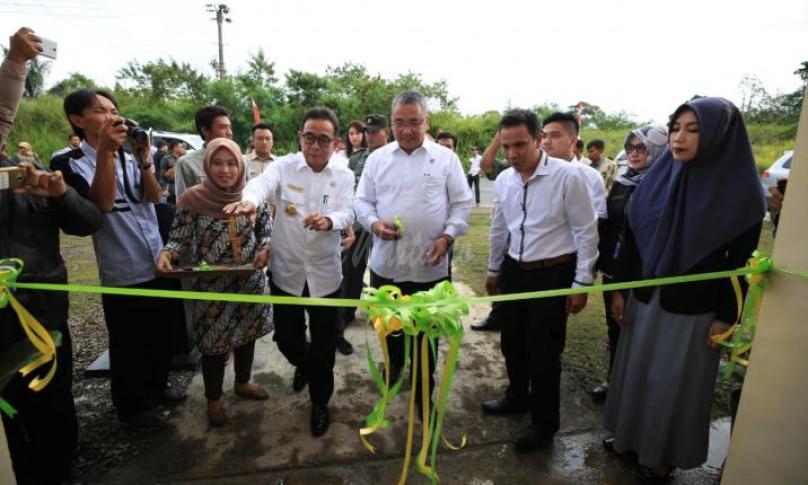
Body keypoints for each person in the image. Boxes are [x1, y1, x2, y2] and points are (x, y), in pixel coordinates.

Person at [604, 97, 766, 480]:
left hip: (695, 311)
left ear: (720, 137)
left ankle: (662, 458)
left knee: (672, 385)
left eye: (694, 130)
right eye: (676, 127)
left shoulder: (742, 196)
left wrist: (726, 317)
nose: (679, 138)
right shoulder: (659, 179)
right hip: (645, 299)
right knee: (638, 373)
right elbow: (631, 241)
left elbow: (738, 266)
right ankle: (630, 440)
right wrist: (619, 290)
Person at [0, 26, 103, 485]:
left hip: (47, 315)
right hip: (5, 327)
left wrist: (59, 194)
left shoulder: (26, 175)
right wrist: (16, 64)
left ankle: (61, 469)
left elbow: (87, 221)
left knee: (55, 403)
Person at [53, 88, 187, 431]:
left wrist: (143, 160)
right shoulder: (68, 162)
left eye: (115, 110)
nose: (113, 117)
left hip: (156, 257)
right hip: (122, 266)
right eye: (102, 111)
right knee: (129, 342)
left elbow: (154, 199)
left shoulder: (130, 154)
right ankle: (130, 407)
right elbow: (101, 205)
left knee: (162, 332)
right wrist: (107, 155)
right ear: (78, 120)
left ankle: (157, 387)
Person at [224, 107, 354, 437]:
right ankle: (305, 365)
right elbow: (261, 184)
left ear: (334, 143)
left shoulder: (343, 175)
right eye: (309, 137)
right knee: (286, 339)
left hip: (325, 275)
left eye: (323, 139)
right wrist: (250, 201)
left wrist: (330, 221)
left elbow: (347, 210)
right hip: (287, 271)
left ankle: (320, 402)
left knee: (325, 343)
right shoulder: (284, 166)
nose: (314, 145)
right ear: (300, 138)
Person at [481, 109, 598, 451]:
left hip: (554, 273)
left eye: (520, 145)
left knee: (544, 353)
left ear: (538, 140)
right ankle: (517, 396)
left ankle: (545, 424)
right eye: (506, 147)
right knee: (512, 343)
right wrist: (493, 269)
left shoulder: (568, 177)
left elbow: (585, 231)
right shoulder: (504, 180)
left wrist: (581, 284)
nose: (512, 154)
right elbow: (499, 227)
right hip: (515, 271)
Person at [354, 90, 472, 419]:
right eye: (399, 123)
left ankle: (423, 395)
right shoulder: (377, 159)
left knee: (426, 339)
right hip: (386, 265)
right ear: (391, 123)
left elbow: (462, 204)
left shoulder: (446, 159)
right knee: (391, 329)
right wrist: (374, 223)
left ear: (427, 121)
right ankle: (393, 374)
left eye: (414, 122)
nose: (406, 130)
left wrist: (447, 237)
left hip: (430, 268)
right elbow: (361, 201)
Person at [157, 138, 273, 427]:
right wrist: (168, 252)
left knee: (247, 334)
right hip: (212, 284)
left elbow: (266, 231)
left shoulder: (251, 196)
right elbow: (179, 236)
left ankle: (243, 382)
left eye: (232, 163)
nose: (225, 170)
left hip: (249, 282)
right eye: (218, 163)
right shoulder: (193, 199)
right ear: (207, 165)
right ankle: (214, 399)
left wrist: (264, 249)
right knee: (213, 343)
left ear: (241, 165)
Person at [590, 124, 668, 402]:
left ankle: (636, 389)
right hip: (613, 268)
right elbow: (610, 224)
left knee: (640, 331)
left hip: (643, 274)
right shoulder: (624, 181)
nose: (634, 153)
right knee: (615, 326)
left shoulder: (665, 186)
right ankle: (615, 380)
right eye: (630, 147)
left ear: (659, 150)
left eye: (642, 147)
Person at [336, 114, 389, 356]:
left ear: (386, 132)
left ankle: (385, 310)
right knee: (353, 267)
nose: (370, 135)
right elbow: (349, 189)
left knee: (386, 268)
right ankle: (348, 312)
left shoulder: (395, 156)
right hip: (360, 221)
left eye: (375, 131)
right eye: (367, 131)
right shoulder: (357, 158)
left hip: (388, 221)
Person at [542, 112, 607, 220]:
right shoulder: (533, 174)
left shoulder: (591, 177)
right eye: (544, 136)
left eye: (554, 135)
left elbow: (598, 216)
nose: (546, 142)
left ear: (573, 141)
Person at [175, 105, 234, 198]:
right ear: (206, 131)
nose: (229, 132)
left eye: (229, 127)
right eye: (223, 127)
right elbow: (183, 204)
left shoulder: (240, 161)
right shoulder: (186, 163)